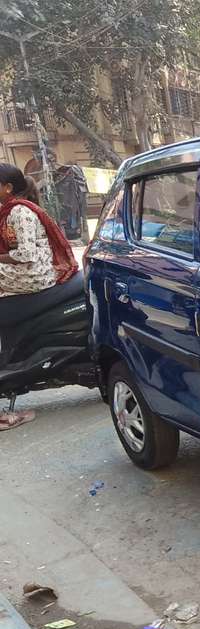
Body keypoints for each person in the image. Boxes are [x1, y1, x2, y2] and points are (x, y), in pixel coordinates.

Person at [0, 162, 79, 431]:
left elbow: (26, 255)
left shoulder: (19, 212)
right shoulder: (8, 210)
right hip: (23, 273)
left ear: (7, 188)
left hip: (32, 276)